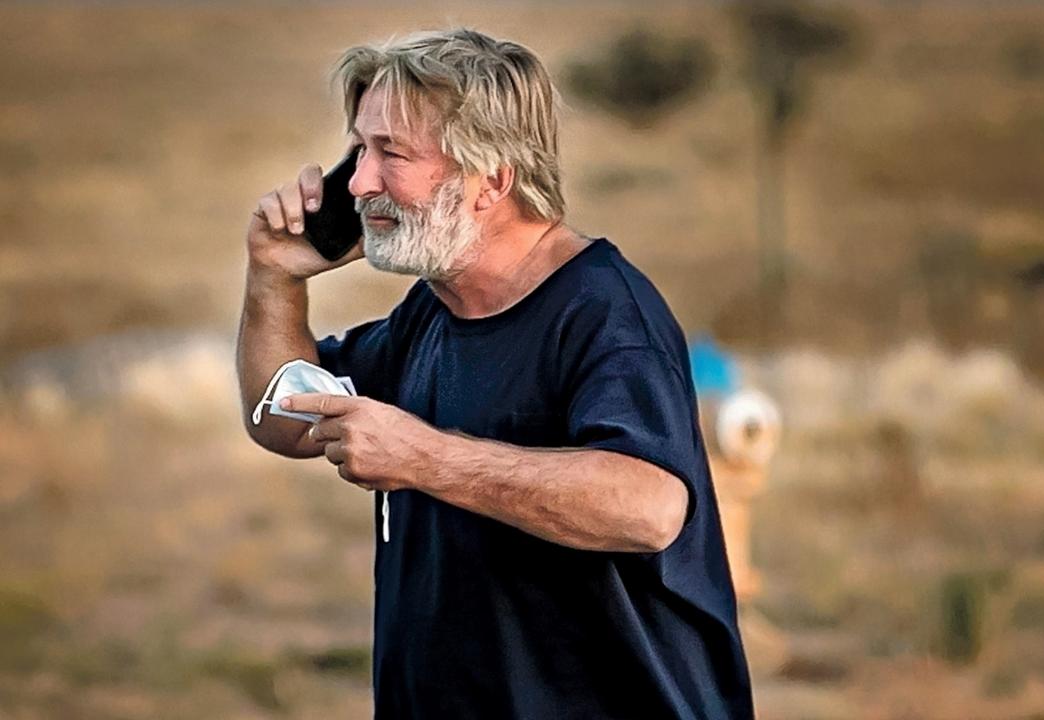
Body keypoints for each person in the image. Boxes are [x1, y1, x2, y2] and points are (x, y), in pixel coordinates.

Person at [235, 28, 754, 719]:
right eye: (359, 149)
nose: (358, 183)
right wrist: (274, 277)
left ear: (492, 180)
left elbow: (649, 507)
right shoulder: (432, 312)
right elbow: (284, 418)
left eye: (391, 152)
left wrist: (422, 457)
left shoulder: (602, 313)